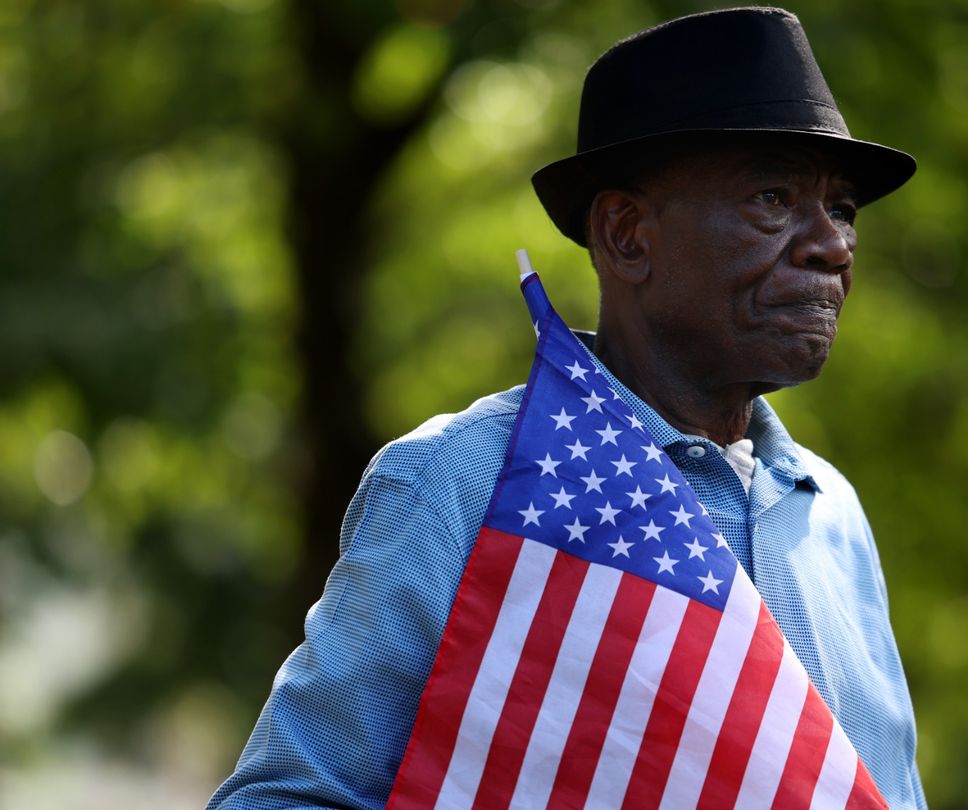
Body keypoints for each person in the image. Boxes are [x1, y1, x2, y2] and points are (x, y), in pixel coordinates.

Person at [209, 7, 927, 809]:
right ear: (625, 234)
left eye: (844, 209)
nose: (831, 244)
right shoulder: (463, 479)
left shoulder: (831, 513)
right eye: (773, 196)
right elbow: (287, 796)